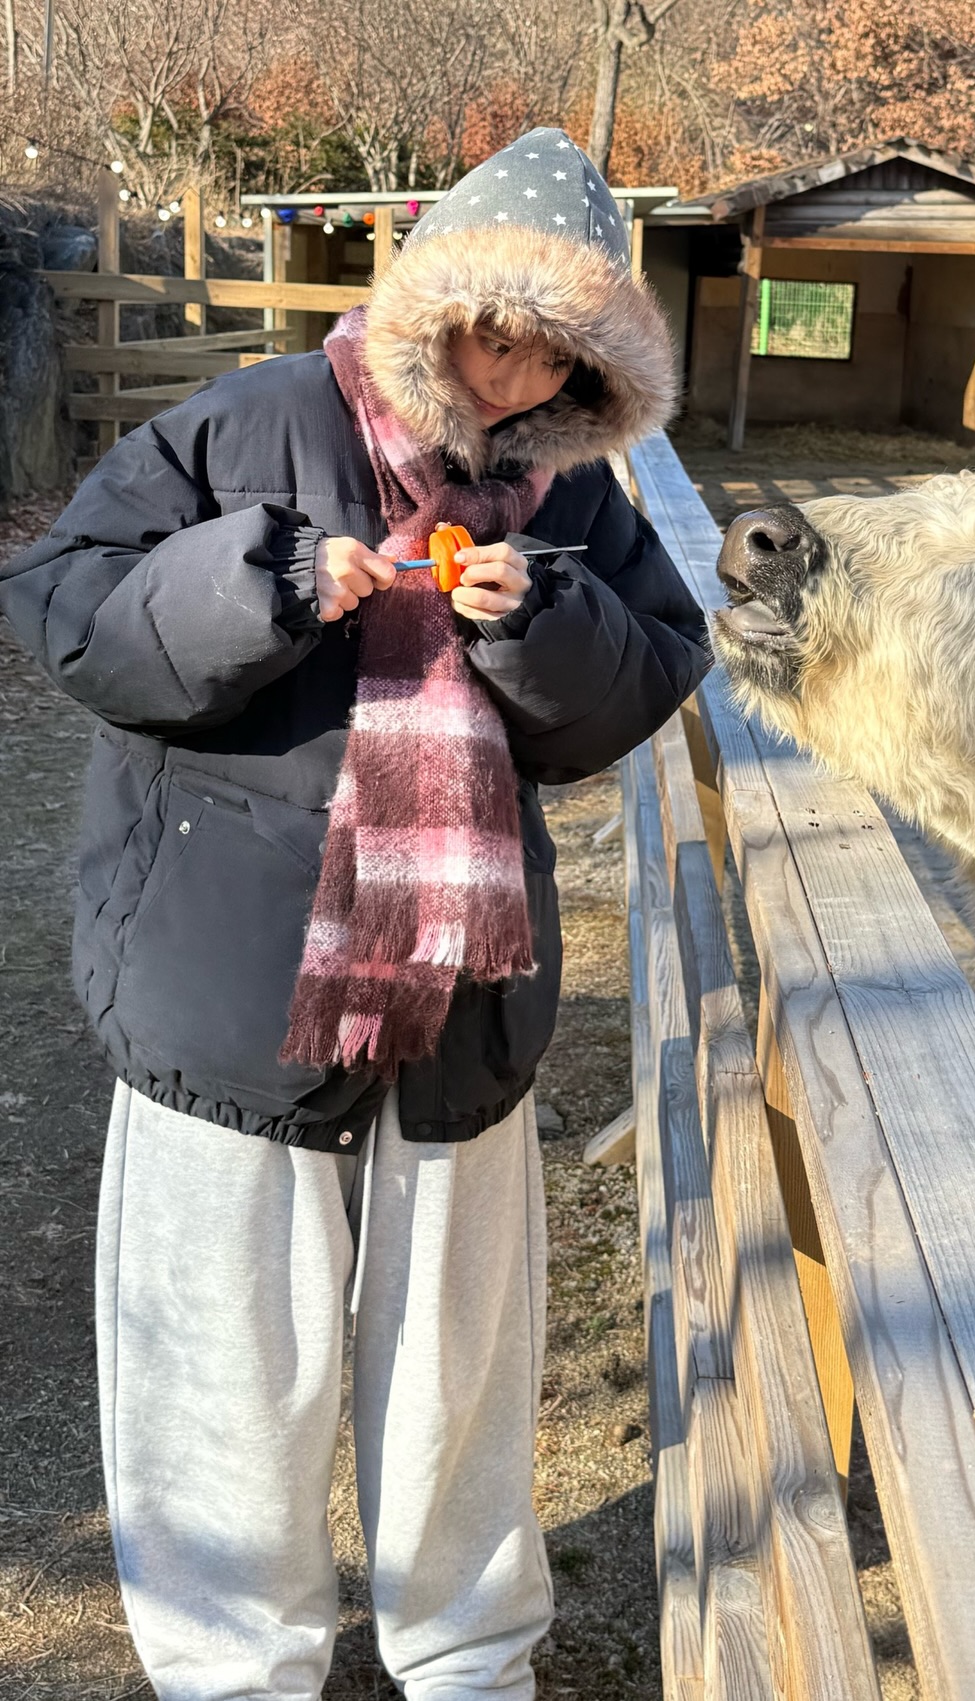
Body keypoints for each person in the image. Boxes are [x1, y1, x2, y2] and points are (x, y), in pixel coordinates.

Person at [0, 129, 708, 1699]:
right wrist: (258, 582)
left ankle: (467, 1660)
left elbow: (652, 669)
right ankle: (231, 1670)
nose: (518, 377)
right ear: (435, 302)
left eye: (563, 353)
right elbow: (66, 606)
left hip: (464, 1005)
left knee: (457, 1370)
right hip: (231, 987)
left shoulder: (570, 495)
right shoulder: (250, 420)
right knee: (224, 1371)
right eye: (498, 330)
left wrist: (545, 620)